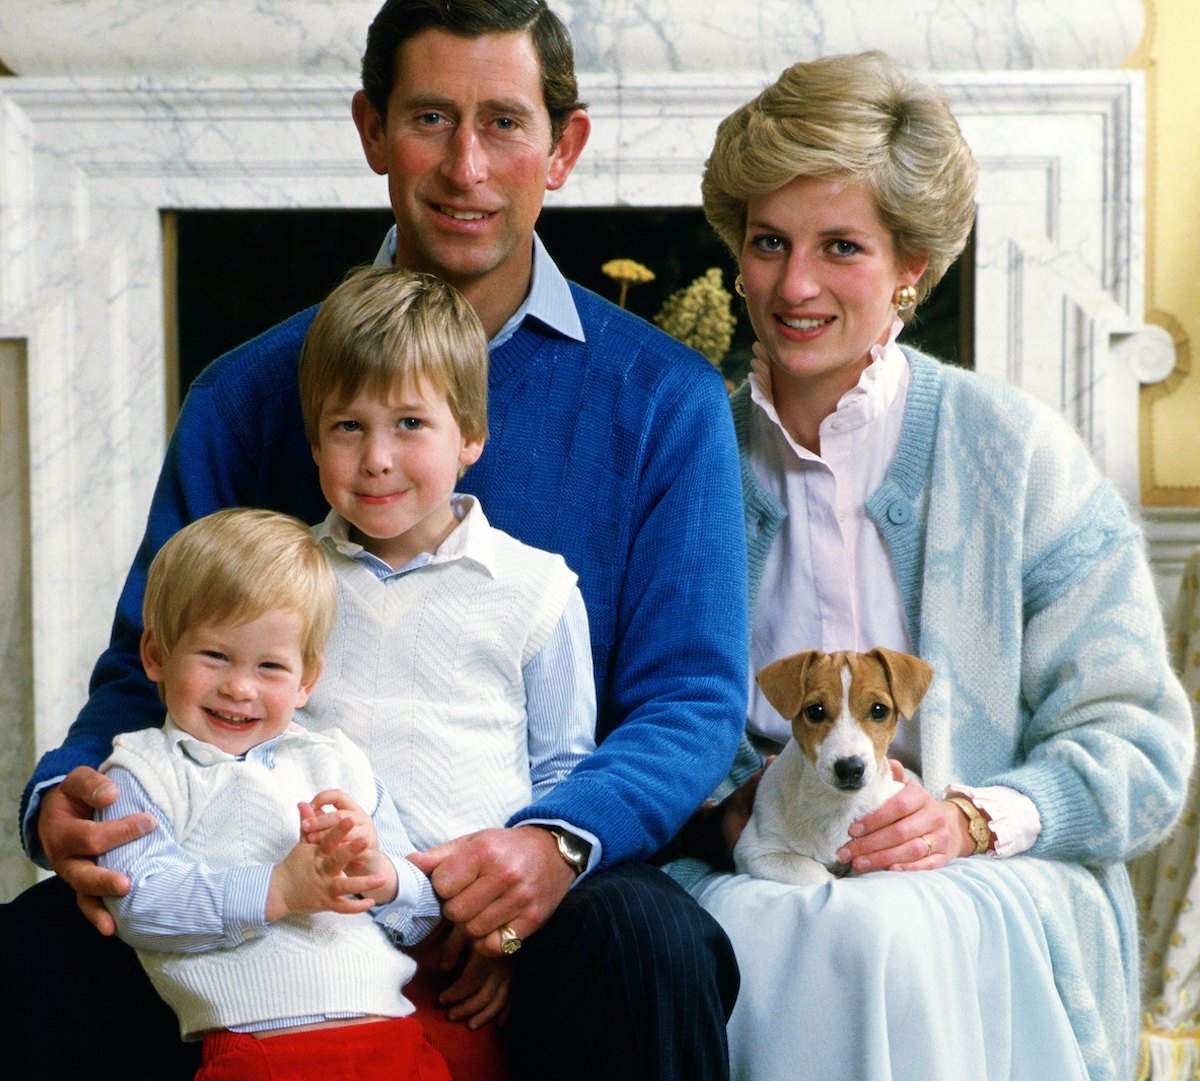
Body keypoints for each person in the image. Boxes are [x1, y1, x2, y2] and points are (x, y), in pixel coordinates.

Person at [3, 2, 747, 1079]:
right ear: (369, 129)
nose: (465, 165)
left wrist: (550, 843)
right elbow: (148, 662)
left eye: (503, 123)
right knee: (37, 945)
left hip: (554, 870)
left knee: (648, 943)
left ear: (564, 147)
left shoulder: (663, 400)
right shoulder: (252, 392)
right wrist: (58, 800)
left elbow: (690, 699)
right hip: (280, 866)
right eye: (430, 118)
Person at [667, 51, 1193, 1081]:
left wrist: (964, 817)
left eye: (842, 247)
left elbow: (1143, 749)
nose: (795, 283)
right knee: (788, 928)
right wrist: (738, 817)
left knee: (885, 929)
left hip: (987, 878)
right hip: (760, 869)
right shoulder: (688, 455)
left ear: (912, 264)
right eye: (768, 242)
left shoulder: (1016, 450)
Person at [295, 263, 598, 1075]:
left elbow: (564, 775)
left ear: (470, 435)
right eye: (347, 427)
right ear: (314, 438)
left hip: (471, 942)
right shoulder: (287, 580)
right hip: (313, 928)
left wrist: (503, 931)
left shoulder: (536, 590)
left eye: (409, 424)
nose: (377, 459)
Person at [97, 507, 455, 1081]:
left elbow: (421, 915)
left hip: (393, 1040)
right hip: (263, 1053)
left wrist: (380, 873)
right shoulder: (140, 772)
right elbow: (141, 905)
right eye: (215, 656)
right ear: (157, 655)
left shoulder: (336, 760)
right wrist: (280, 890)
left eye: (270, 666)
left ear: (307, 680)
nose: (240, 686)